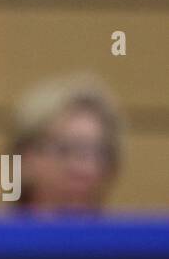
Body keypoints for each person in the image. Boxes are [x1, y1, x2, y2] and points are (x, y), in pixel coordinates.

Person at [8, 71, 124, 213]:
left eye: (95, 153)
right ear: (24, 156)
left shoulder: (136, 235)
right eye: (64, 150)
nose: (82, 168)